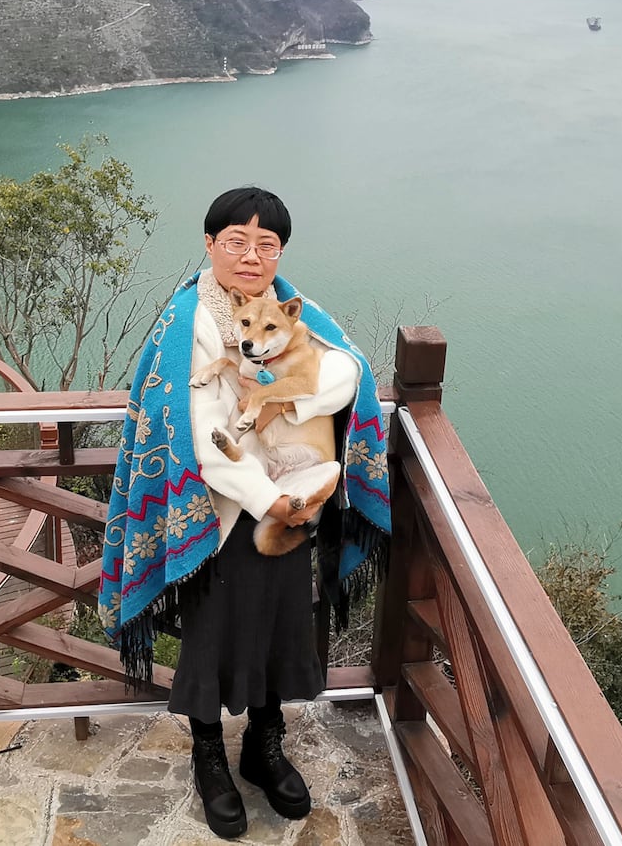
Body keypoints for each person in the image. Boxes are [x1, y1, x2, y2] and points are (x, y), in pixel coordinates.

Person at [99, 187, 391, 840]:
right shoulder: (188, 324)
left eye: (266, 243)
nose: (251, 255)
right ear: (209, 244)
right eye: (236, 240)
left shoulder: (292, 307)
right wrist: (269, 499)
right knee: (213, 637)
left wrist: (299, 405)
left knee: (283, 624)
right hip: (217, 515)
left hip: (289, 502)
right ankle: (210, 755)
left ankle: (265, 744)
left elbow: (351, 367)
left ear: (279, 252)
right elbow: (200, 435)